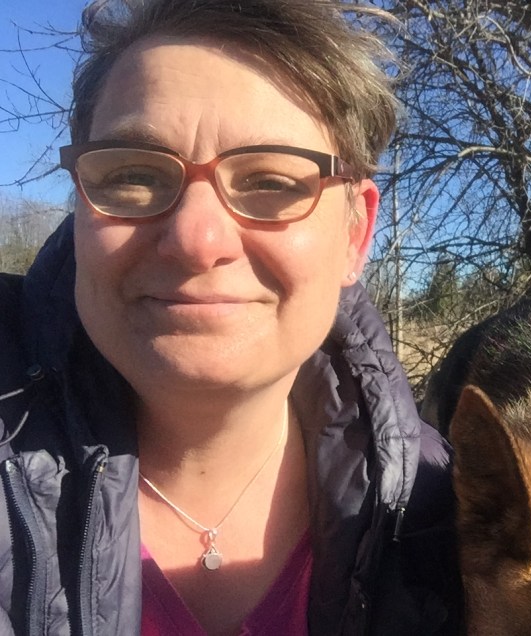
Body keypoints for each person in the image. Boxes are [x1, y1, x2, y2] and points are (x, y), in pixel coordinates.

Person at [0, 1, 461, 634]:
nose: (195, 238)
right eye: (133, 173)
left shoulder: (454, 523)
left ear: (356, 235)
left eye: (270, 181)